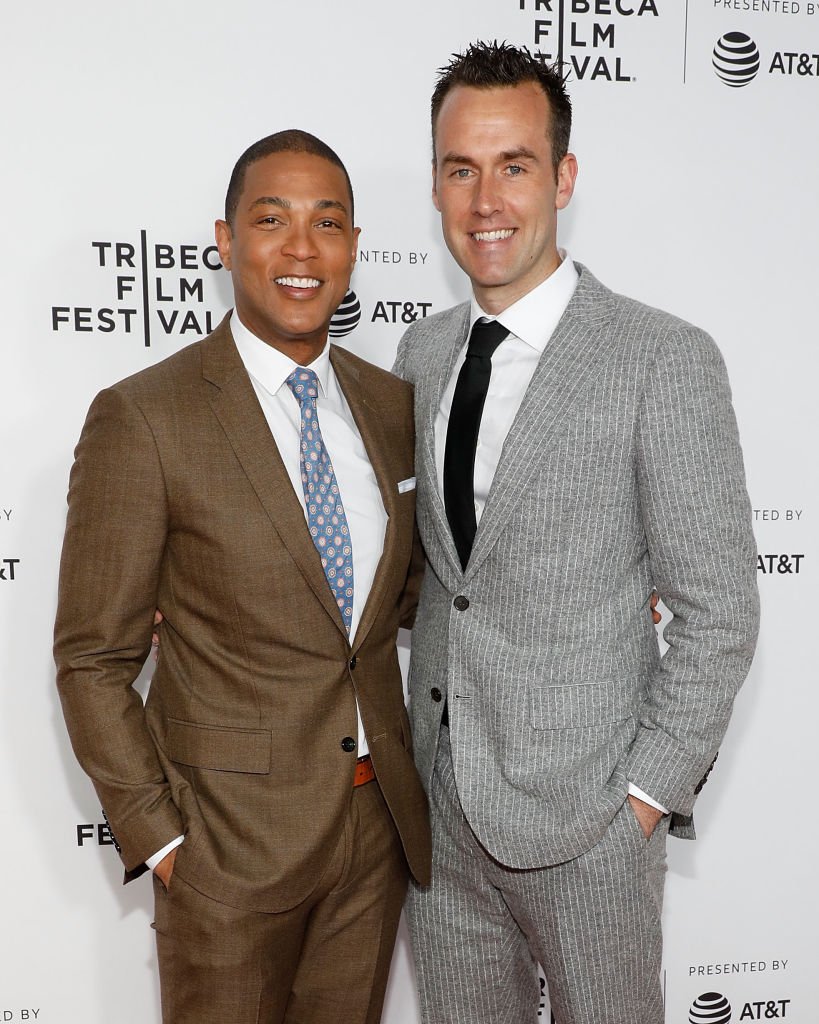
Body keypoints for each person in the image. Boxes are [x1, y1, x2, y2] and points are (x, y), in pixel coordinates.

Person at [393, 41, 759, 1024]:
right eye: (460, 168)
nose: (485, 199)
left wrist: (640, 800)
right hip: (441, 809)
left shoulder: (661, 358)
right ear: (435, 182)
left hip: (590, 818)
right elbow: (438, 578)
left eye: (513, 165)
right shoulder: (420, 352)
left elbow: (720, 612)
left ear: (563, 176)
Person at [54, 129, 430, 1024]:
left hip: (373, 835)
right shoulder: (144, 418)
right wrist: (164, 839)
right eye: (272, 220)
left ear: (352, 248)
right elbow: (90, 659)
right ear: (223, 240)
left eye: (327, 223)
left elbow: (404, 597)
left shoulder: (390, 405)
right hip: (224, 850)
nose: (302, 249)